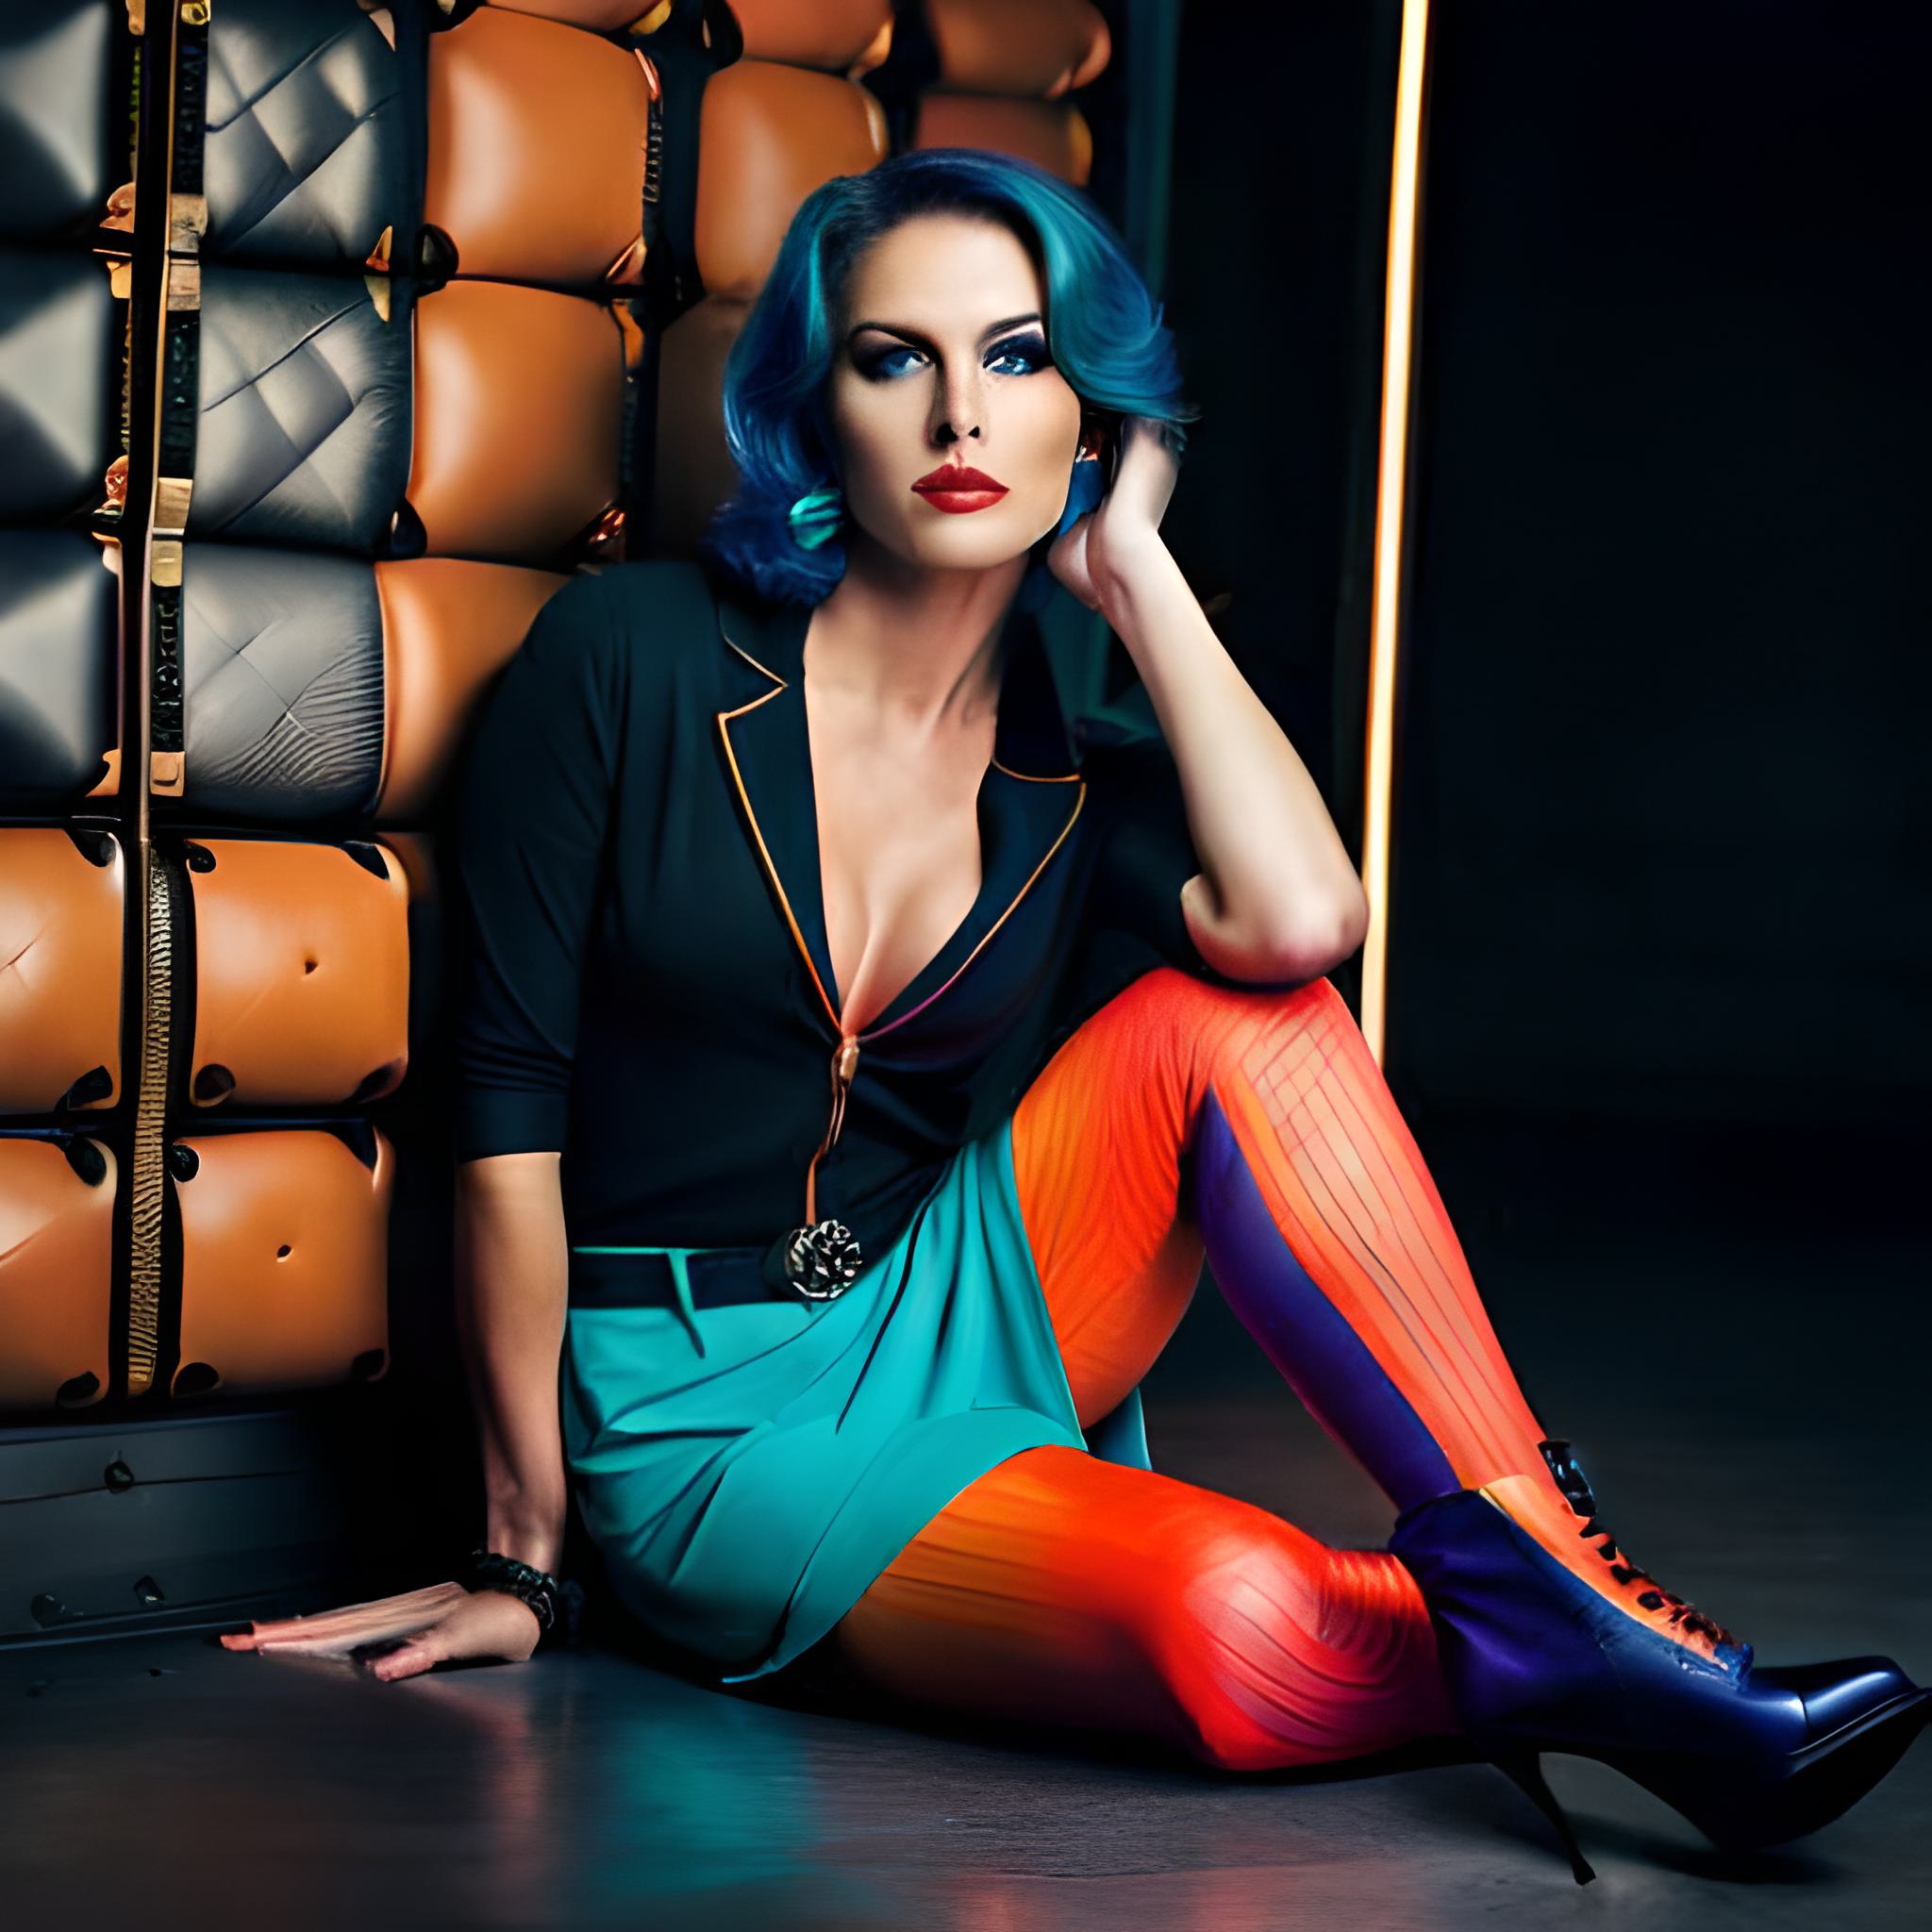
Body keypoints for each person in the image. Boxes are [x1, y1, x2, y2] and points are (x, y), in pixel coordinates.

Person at [223, 149, 1925, 1881]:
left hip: (949, 1301)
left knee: (1249, 1015)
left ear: (1091, 418)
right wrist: (527, 1554)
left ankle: (1566, 1599)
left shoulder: (1074, 777)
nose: (960, 413)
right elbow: (507, 1116)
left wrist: (1140, 576)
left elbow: (1305, 921)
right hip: (702, 1412)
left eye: (1019, 357)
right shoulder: (631, 659)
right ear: (817, 409)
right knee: (1240, 1621)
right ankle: (1586, 1662)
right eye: (894, 357)